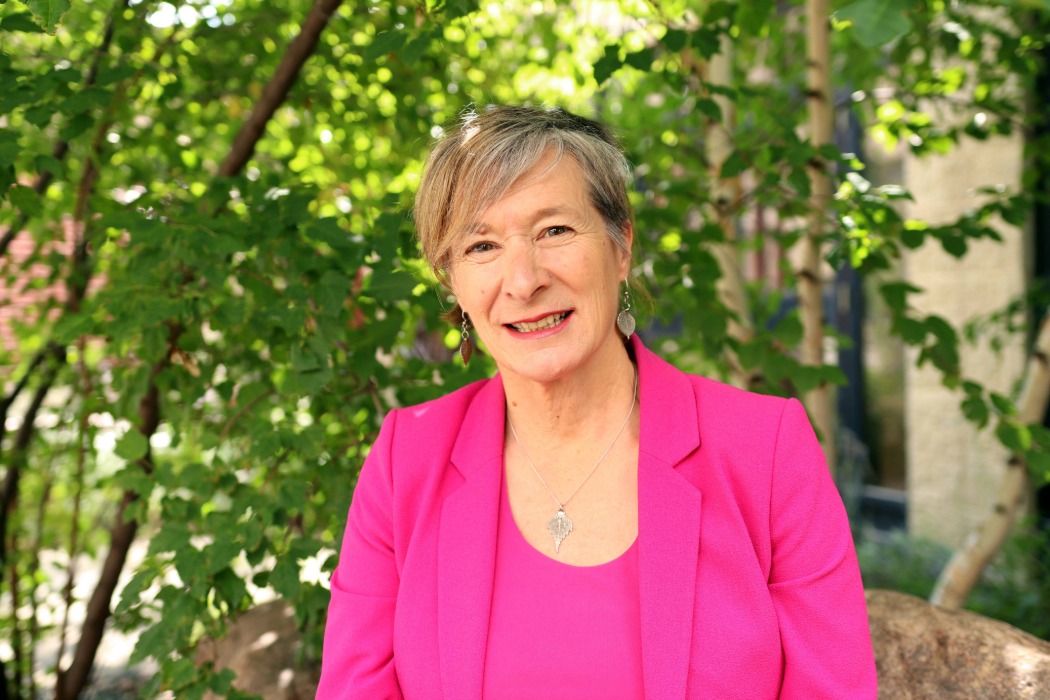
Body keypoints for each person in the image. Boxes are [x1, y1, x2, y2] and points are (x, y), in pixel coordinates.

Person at [316, 105, 877, 699]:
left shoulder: (765, 451)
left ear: (622, 245)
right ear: (452, 280)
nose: (523, 279)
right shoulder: (407, 459)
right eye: (481, 246)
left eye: (554, 230)